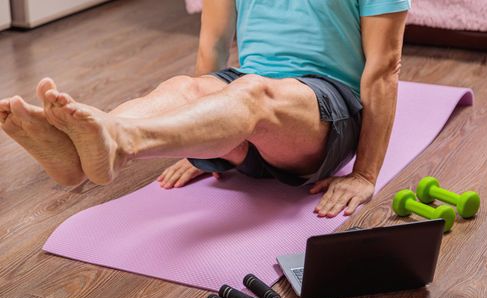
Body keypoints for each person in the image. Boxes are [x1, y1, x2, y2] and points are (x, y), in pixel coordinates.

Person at [0, 0, 409, 218]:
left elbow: (382, 70)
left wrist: (365, 174)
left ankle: (121, 141)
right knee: (184, 87)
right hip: (246, 110)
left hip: (323, 109)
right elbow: (211, 48)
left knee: (252, 92)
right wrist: (201, 138)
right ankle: (76, 154)